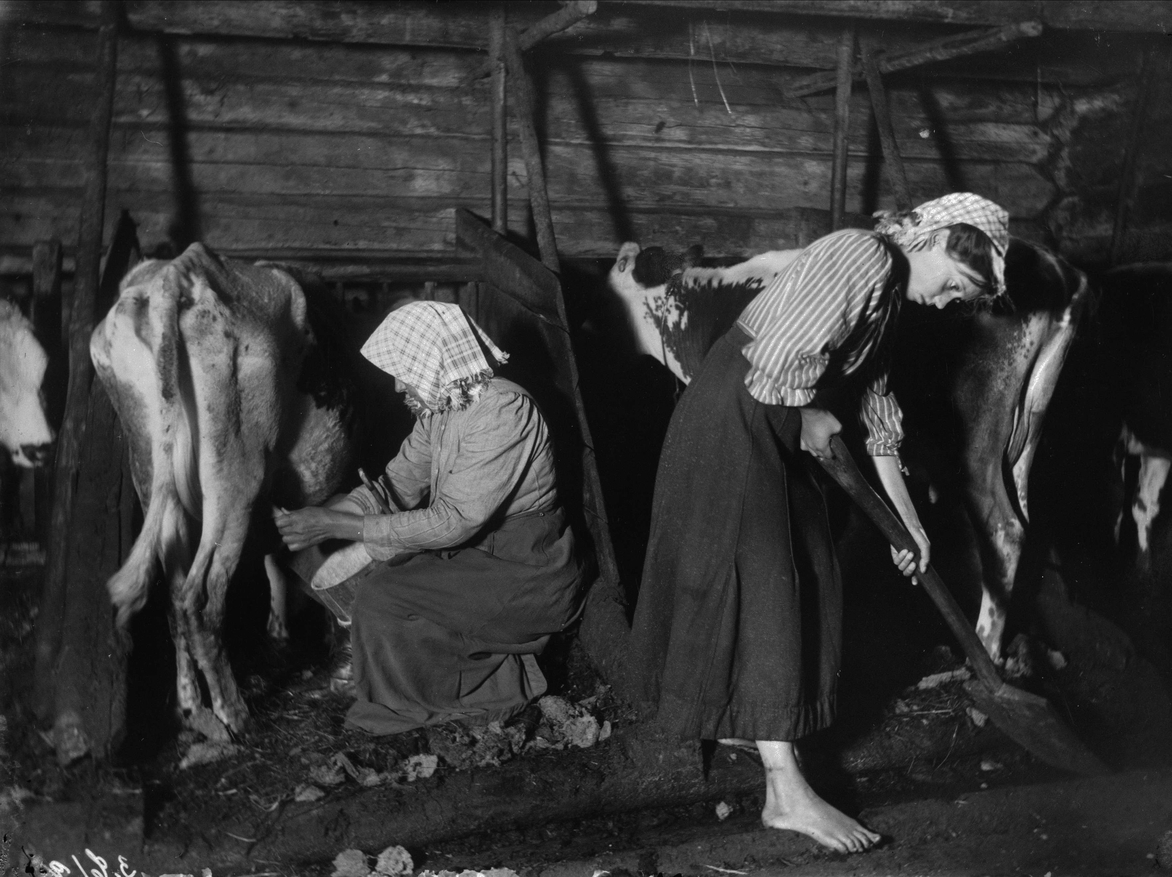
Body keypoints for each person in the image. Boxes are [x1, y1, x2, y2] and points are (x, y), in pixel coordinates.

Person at [628, 193, 1010, 854]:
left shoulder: (890, 299)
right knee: (766, 589)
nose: (951, 302)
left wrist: (909, 525)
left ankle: (746, 719)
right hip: (738, 412)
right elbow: (774, 357)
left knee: (808, 574)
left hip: (773, 418)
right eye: (956, 285)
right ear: (936, 242)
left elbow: (877, 419)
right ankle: (785, 789)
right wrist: (806, 417)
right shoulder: (859, 254)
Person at [274, 301, 585, 735]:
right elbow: (395, 486)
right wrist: (325, 514)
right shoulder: (440, 410)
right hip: (479, 554)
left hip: (527, 567)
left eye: (404, 371)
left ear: (435, 361)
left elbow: (455, 521)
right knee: (370, 572)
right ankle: (381, 673)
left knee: (384, 596)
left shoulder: (502, 411)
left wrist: (342, 527)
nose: (399, 386)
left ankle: (503, 683)